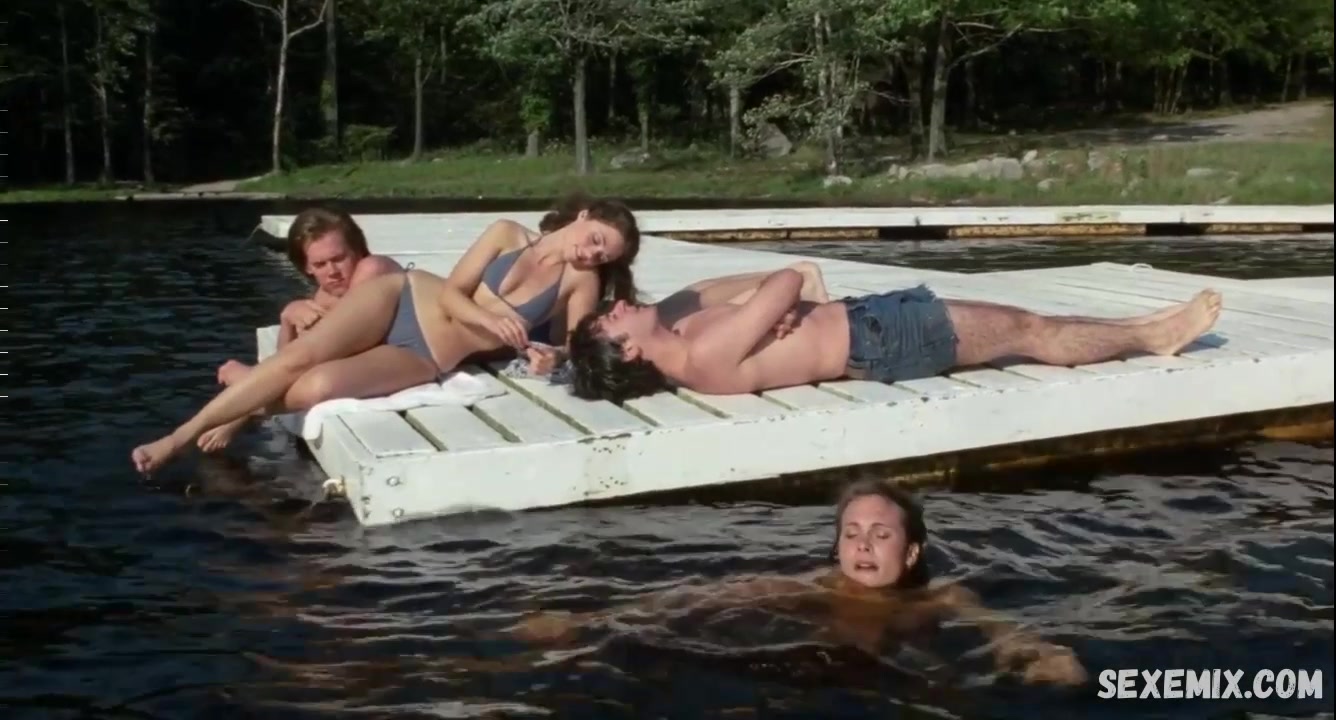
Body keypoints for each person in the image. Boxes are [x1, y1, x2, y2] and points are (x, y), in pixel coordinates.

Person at [131, 194, 643, 475]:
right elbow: (453, 292)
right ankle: (177, 439)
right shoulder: (507, 232)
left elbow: (571, 346)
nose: (593, 253)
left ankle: (246, 393)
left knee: (314, 389)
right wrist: (490, 322)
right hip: (404, 297)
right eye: (596, 239)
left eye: (605, 255)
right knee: (299, 359)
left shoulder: (580, 281)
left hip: (428, 356)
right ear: (583, 217)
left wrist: (554, 358)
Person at [513, 479, 1089, 687]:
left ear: (912, 551)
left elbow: (1003, 631)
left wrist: (1046, 655)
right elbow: (705, 597)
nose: (862, 546)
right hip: (818, 673)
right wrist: (591, 621)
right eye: (851, 534)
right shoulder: (815, 586)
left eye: (881, 535)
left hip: (904, 674)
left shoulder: (942, 596)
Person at [566, 267, 1224, 402]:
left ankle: (1140, 327)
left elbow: (771, 294)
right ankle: (1154, 339)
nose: (616, 306)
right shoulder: (702, 351)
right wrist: (781, 301)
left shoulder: (687, 338)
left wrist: (778, 305)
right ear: (627, 350)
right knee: (1030, 331)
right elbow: (787, 279)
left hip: (872, 327)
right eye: (608, 321)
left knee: (1027, 325)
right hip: (885, 338)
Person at [203, 207, 404, 452]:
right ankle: (243, 406)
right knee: (300, 362)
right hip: (370, 361)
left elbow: (335, 344)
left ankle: (242, 408)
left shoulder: (373, 269)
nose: (332, 272)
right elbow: (288, 358)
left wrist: (250, 380)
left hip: (406, 360)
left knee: (309, 368)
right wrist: (287, 318)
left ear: (357, 251)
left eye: (339, 259)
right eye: (320, 264)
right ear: (307, 268)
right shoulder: (326, 295)